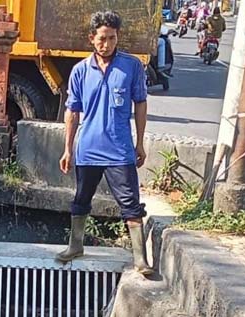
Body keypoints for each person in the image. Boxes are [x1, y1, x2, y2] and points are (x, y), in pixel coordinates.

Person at [56, 11, 151, 275]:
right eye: (101, 38)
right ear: (91, 39)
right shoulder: (80, 71)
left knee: (131, 203)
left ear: (117, 37)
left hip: (120, 150)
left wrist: (140, 142)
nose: (106, 44)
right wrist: (68, 148)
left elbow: (140, 103)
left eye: (111, 38)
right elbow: (72, 111)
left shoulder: (131, 67)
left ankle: (140, 259)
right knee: (81, 200)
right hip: (88, 149)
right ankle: (75, 246)